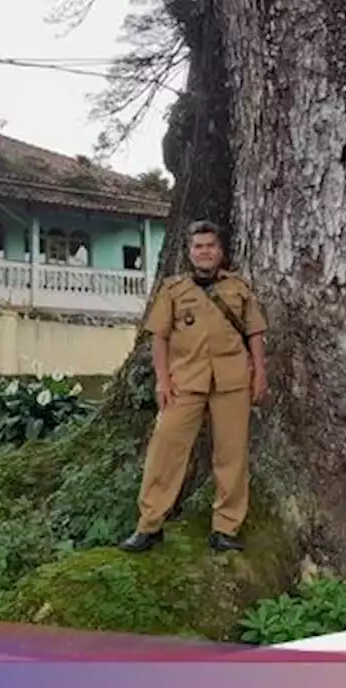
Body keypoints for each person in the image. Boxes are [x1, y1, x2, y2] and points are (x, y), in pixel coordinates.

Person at [119, 220, 268, 553]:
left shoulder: (239, 289)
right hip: (184, 381)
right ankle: (149, 524)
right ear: (189, 252)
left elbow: (255, 334)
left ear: (220, 251)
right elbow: (160, 337)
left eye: (210, 246)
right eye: (198, 246)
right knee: (166, 449)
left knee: (231, 455)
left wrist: (260, 373)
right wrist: (162, 379)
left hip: (231, 381)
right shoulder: (173, 291)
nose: (204, 252)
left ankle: (226, 528)